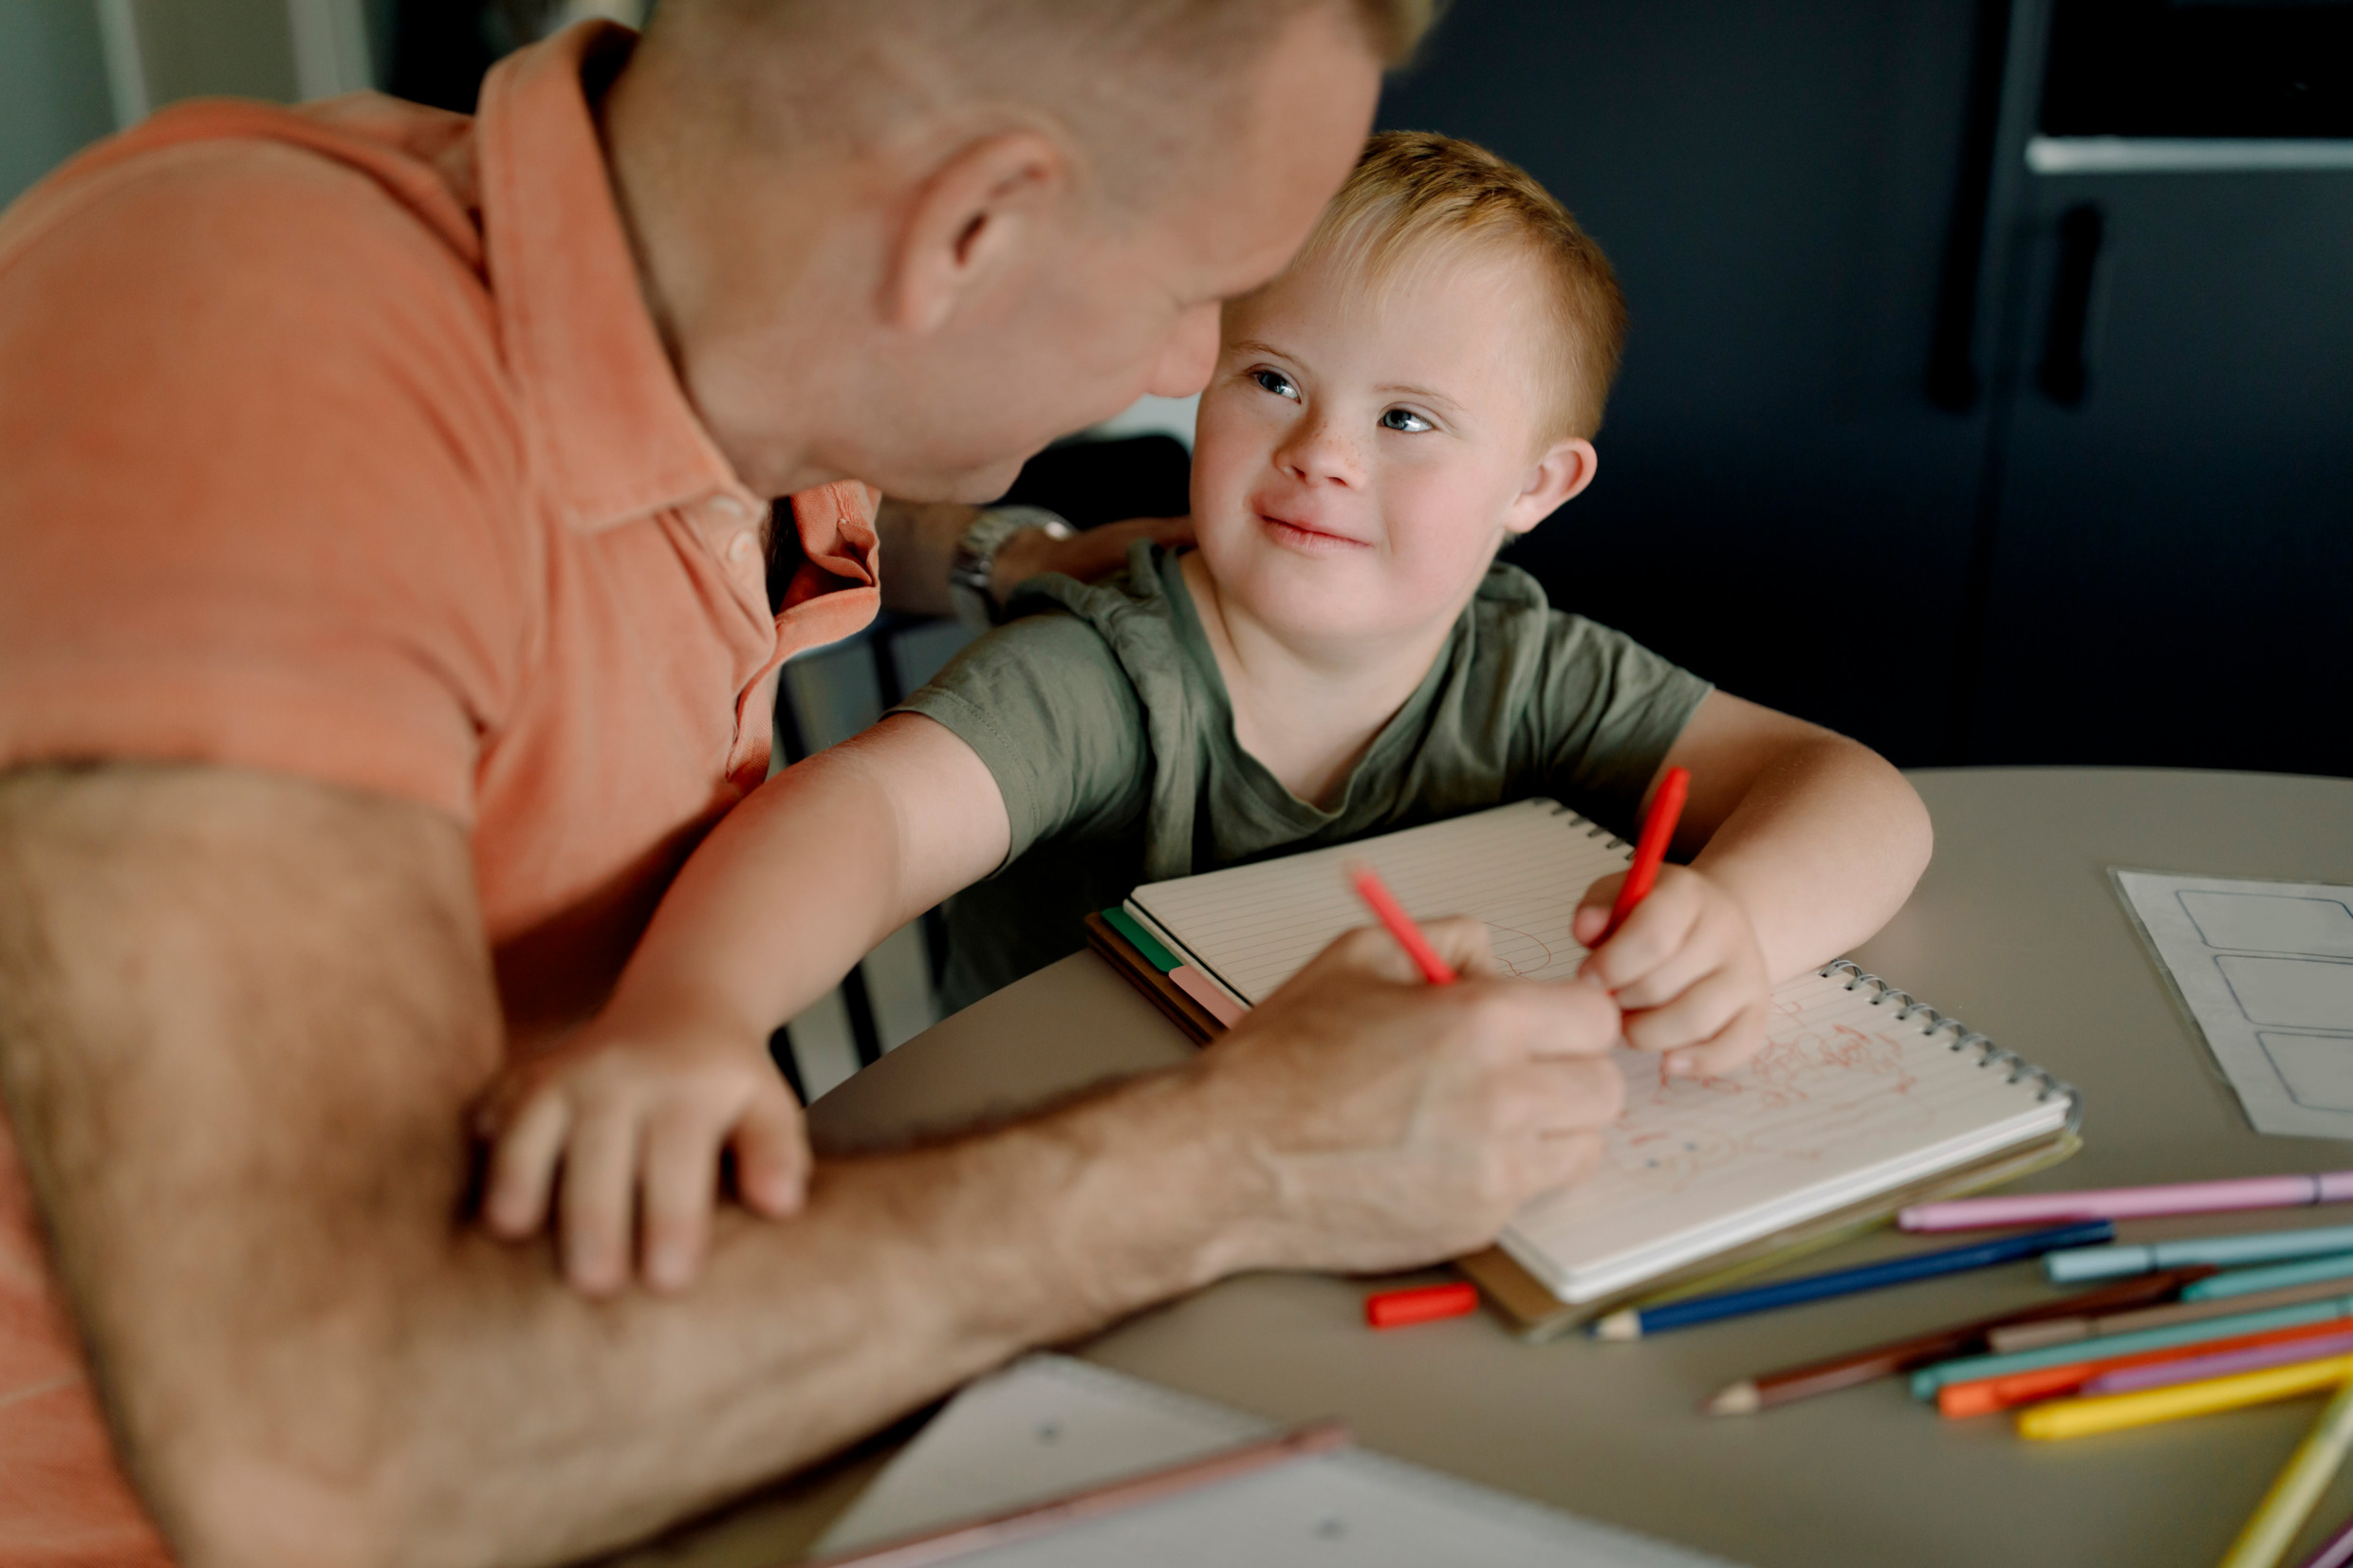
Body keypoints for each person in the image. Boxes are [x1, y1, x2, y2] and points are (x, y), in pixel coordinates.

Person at [0, 4, 1658, 1564]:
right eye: (1207, 294)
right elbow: (320, 1460)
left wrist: (1012, 554)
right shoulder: (250, 370)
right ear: (971, 233)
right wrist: (1250, 1153)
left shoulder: (692, 317)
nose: (1182, 367)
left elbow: (815, 469)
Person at [479, 132, 1936, 1295]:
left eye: (1407, 419)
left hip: (1413, 1208)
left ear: (1537, 491)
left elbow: (1855, 790)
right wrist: (689, 1015)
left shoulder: (1527, 667)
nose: (1320, 455)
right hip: (1087, 1219)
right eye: (1273, 378)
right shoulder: (1112, 669)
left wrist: (1743, 921)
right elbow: (859, 818)